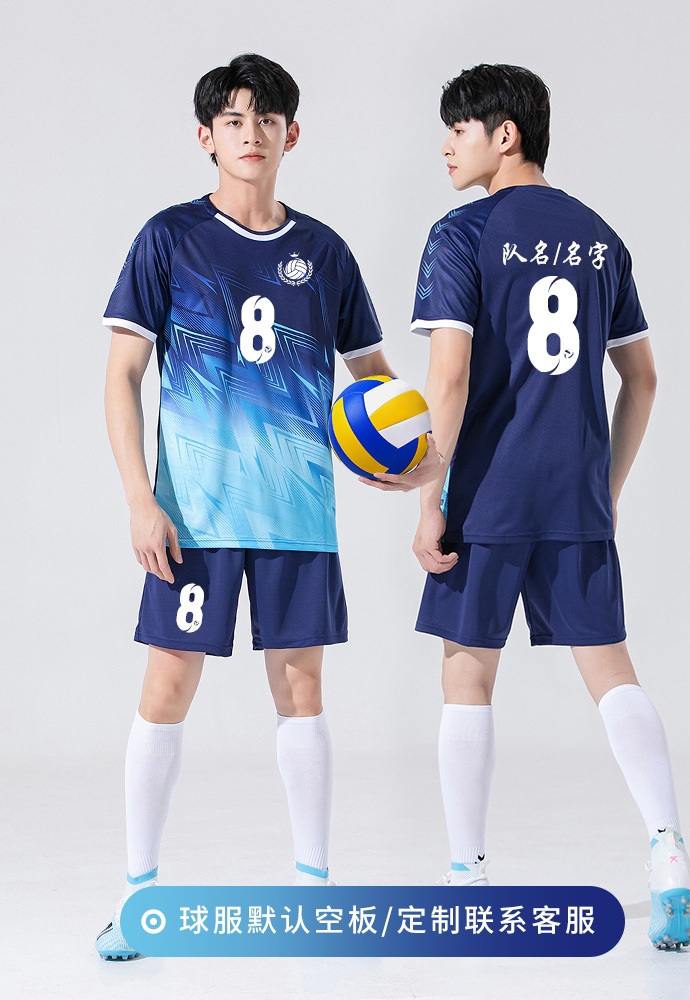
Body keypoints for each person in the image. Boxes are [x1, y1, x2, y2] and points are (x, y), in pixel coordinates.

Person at [364, 63, 690, 950]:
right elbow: (644, 378)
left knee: (467, 673)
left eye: (459, 130)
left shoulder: (462, 233)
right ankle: (669, 850)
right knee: (612, 671)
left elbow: (448, 378)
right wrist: (606, 489)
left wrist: (428, 497)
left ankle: (467, 876)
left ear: (503, 134)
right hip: (575, 490)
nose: (446, 147)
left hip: (488, 491)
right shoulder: (600, 236)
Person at [96, 52, 398, 960]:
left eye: (266, 119)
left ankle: (313, 890)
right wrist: (140, 498)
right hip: (194, 517)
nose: (251, 133)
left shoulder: (326, 253)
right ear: (206, 136)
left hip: (297, 516)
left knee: (302, 692)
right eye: (233, 120)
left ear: (291, 133)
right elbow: (121, 375)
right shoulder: (169, 239)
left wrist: (405, 457)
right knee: (166, 687)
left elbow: (375, 382)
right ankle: (138, 895)